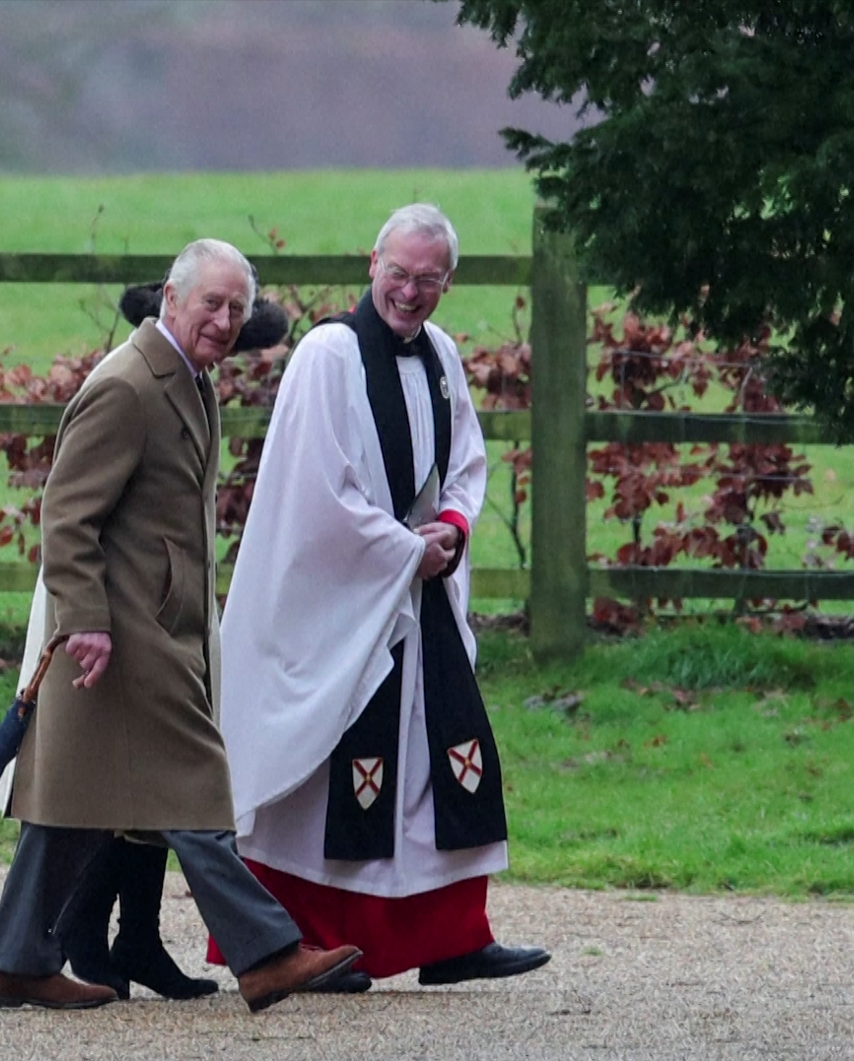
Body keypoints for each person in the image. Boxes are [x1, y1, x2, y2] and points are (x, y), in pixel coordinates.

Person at [0, 238, 360, 1013]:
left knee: (72, 800)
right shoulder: (128, 385)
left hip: (159, 627)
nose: (223, 321)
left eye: (236, 308)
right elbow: (66, 514)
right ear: (171, 298)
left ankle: (18, 961)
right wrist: (85, 621)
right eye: (211, 304)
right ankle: (268, 954)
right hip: (124, 634)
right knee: (195, 786)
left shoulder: (189, 381)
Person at [215, 205, 550, 989]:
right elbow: (316, 490)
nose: (409, 292)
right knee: (331, 767)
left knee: (440, 762)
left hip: (416, 590)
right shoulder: (328, 355)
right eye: (397, 274)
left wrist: (454, 531)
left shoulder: (441, 355)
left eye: (427, 280)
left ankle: (453, 938)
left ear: (447, 283)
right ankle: (306, 941)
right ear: (373, 264)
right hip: (341, 599)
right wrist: (406, 548)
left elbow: (466, 460)